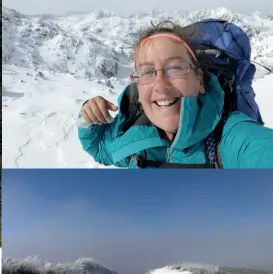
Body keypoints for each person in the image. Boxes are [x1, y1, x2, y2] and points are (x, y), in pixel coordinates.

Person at [78, 22, 273, 169]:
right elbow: (101, 149)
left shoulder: (231, 138)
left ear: (200, 81)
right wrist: (90, 120)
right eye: (147, 72)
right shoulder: (136, 141)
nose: (161, 84)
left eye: (175, 68)